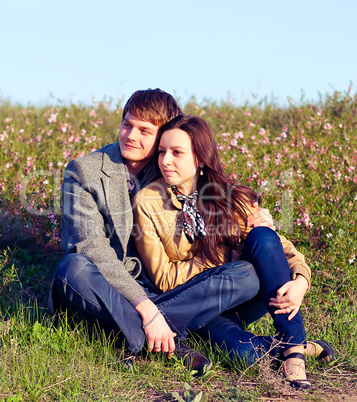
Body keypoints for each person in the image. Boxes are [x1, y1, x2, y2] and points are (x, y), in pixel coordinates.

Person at [48, 89, 272, 375]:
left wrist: (260, 222)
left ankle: (140, 337)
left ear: (163, 134)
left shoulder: (172, 165)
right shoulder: (85, 172)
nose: (131, 135)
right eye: (127, 124)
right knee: (73, 268)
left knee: (246, 276)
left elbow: (218, 203)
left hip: (169, 285)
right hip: (108, 288)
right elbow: (91, 248)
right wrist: (146, 308)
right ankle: (173, 336)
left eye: (144, 130)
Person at [133, 115, 334, 389]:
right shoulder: (148, 202)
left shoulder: (229, 195)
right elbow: (164, 279)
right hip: (200, 306)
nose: (165, 160)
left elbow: (278, 248)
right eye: (162, 152)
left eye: (177, 152)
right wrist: (222, 260)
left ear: (200, 158)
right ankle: (299, 347)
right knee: (242, 352)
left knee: (263, 235)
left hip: (245, 299)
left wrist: (301, 281)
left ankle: (293, 350)